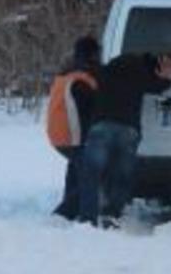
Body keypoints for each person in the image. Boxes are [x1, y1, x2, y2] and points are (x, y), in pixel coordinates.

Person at [78, 53, 171, 228]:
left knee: (91, 174)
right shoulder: (139, 76)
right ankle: (112, 213)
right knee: (122, 176)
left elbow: (87, 71)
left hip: (102, 127)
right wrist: (167, 78)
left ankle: (87, 218)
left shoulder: (104, 72)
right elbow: (160, 86)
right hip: (128, 130)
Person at [46, 36, 100, 220]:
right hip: (71, 136)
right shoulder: (82, 80)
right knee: (91, 175)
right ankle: (76, 216)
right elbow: (89, 110)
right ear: (92, 54)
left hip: (58, 135)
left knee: (76, 170)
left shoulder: (66, 74)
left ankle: (68, 214)